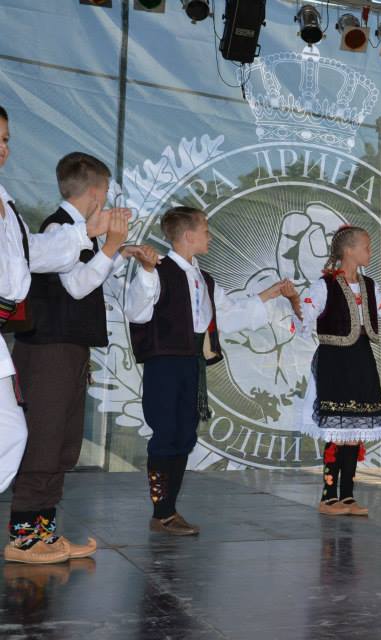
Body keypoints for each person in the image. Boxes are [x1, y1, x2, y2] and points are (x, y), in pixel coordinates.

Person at [124, 206, 299, 535]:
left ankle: (168, 510)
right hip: (164, 363)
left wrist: (269, 294)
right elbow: (137, 312)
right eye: (206, 231)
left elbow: (228, 314)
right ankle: (162, 512)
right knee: (166, 432)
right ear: (189, 236)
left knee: (184, 434)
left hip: (192, 362)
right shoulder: (158, 270)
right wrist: (146, 272)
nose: (211, 236)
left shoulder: (203, 278)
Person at [6, 152, 139, 564]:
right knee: (43, 441)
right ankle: (24, 539)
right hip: (46, 352)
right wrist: (111, 246)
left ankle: (44, 534)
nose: (109, 199)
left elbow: (82, 286)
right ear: (97, 192)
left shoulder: (80, 233)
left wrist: (113, 251)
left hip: (66, 351)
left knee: (62, 446)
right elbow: (78, 286)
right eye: (108, 190)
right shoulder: (57, 227)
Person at [294, 225, 381, 517]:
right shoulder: (324, 285)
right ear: (349, 250)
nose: (370, 252)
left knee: (354, 429)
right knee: (337, 429)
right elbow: (305, 315)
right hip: (335, 360)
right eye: (366, 247)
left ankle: (347, 495)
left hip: (361, 359)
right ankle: (328, 497)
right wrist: (293, 302)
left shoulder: (369, 285)